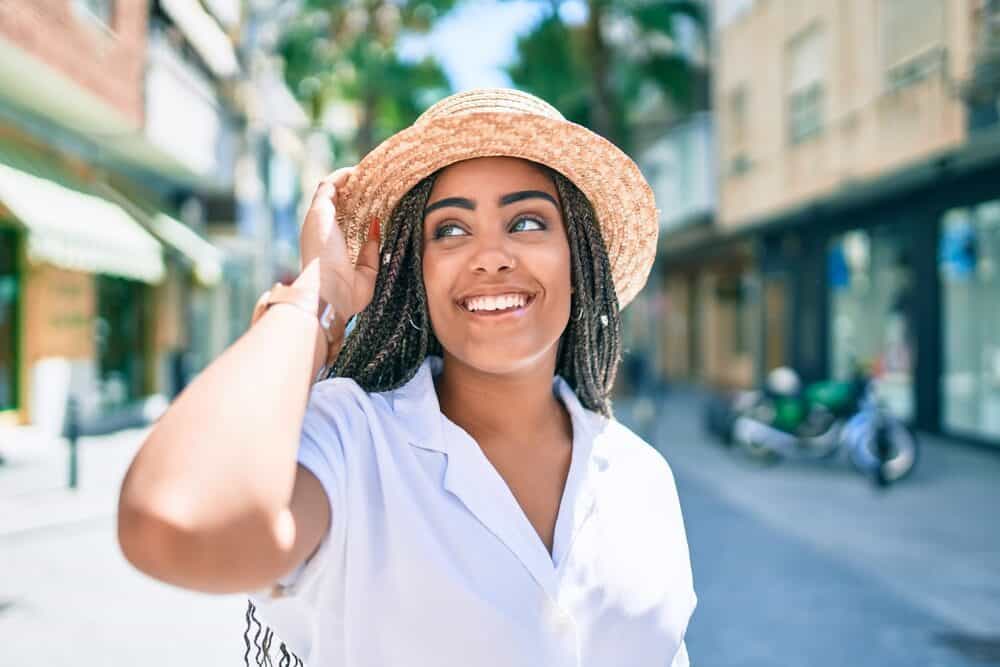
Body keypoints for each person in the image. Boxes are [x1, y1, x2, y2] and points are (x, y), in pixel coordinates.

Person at [117, 88, 696, 666]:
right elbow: (175, 521)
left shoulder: (642, 476)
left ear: (580, 260)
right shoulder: (351, 440)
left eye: (525, 222)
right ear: (416, 277)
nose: (490, 256)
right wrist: (318, 296)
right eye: (449, 230)